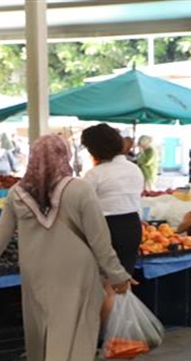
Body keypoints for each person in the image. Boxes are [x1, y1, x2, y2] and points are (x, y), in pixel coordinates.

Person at [0, 135, 132, 361]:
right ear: (65, 156)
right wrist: (117, 274)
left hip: (36, 269)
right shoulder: (79, 189)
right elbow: (100, 238)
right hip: (76, 268)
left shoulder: (17, 193)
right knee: (75, 325)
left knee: (46, 323)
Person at [80, 123, 145, 324]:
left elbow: (83, 205)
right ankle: (124, 334)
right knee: (124, 280)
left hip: (106, 228)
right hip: (132, 226)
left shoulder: (95, 174)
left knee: (106, 286)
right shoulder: (134, 169)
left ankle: (106, 338)